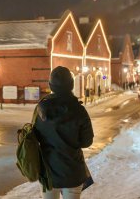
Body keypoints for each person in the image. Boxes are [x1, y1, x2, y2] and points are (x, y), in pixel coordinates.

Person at [34, 66, 94, 199]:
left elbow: (34, 137)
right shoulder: (80, 111)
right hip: (72, 172)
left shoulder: (41, 109)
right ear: (72, 85)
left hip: (48, 172)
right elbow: (87, 141)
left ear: (50, 85)